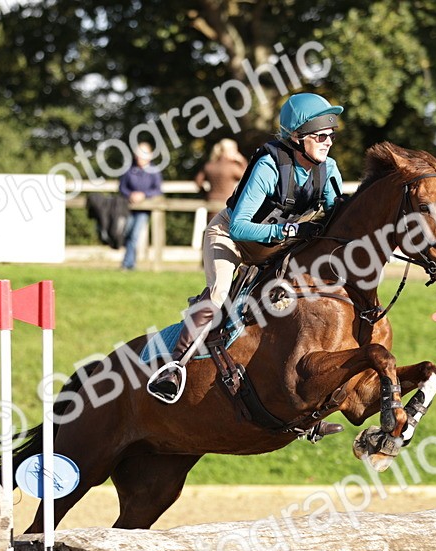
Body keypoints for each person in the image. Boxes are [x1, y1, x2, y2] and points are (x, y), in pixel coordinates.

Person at [146, 93, 345, 408]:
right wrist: (291, 230)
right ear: (297, 137)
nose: (328, 142)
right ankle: (173, 366)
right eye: (321, 136)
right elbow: (239, 226)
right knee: (218, 294)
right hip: (229, 237)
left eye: (331, 135)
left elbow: (337, 221)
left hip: (274, 247)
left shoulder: (329, 170)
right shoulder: (269, 166)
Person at [118, 142, 163, 270]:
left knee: (134, 235)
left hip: (144, 209)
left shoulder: (154, 171)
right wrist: (130, 195)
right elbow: (122, 187)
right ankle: (131, 263)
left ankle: (127, 264)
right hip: (129, 208)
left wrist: (143, 195)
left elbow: (158, 190)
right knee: (127, 233)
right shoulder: (129, 170)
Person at [194, 138, 248, 207]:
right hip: (227, 203)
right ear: (229, 151)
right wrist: (242, 161)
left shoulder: (209, 166)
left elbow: (198, 182)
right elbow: (247, 176)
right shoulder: (232, 167)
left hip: (211, 201)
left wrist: (206, 194)